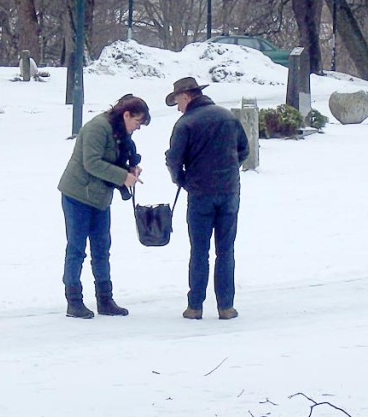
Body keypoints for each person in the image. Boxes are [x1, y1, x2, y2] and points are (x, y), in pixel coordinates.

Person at [57, 95, 151, 319]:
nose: (137, 128)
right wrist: (122, 177)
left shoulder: (120, 132)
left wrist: (131, 169)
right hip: (77, 194)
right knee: (76, 248)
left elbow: (118, 157)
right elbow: (92, 163)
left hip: (99, 198)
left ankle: (105, 299)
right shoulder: (97, 128)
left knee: (102, 248)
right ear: (126, 114)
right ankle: (74, 301)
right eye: (137, 122)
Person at [165, 76, 249, 320]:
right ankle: (226, 306)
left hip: (200, 194)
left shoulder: (185, 124)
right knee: (226, 250)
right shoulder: (228, 117)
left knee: (199, 251)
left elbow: (174, 160)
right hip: (230, 192)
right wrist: (229, 170)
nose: (178, 107)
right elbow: (244, 149)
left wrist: (181, 179)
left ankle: (195, 306)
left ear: (187, 96)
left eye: (177, 101)